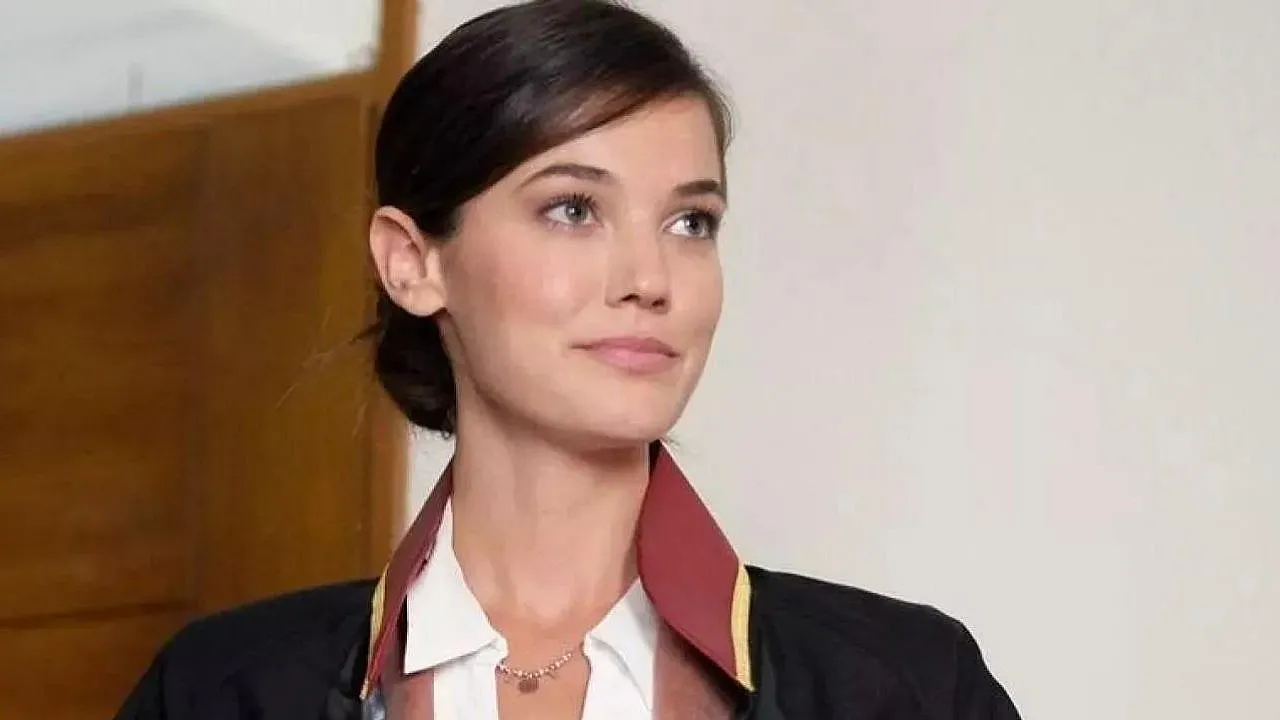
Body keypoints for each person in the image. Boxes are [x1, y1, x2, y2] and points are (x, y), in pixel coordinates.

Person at [115, 1, 1021, 718]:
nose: (650, 280)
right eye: (573, 210)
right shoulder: (220, 691)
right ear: (413, 262)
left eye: (690, 222)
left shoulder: (906, 686)